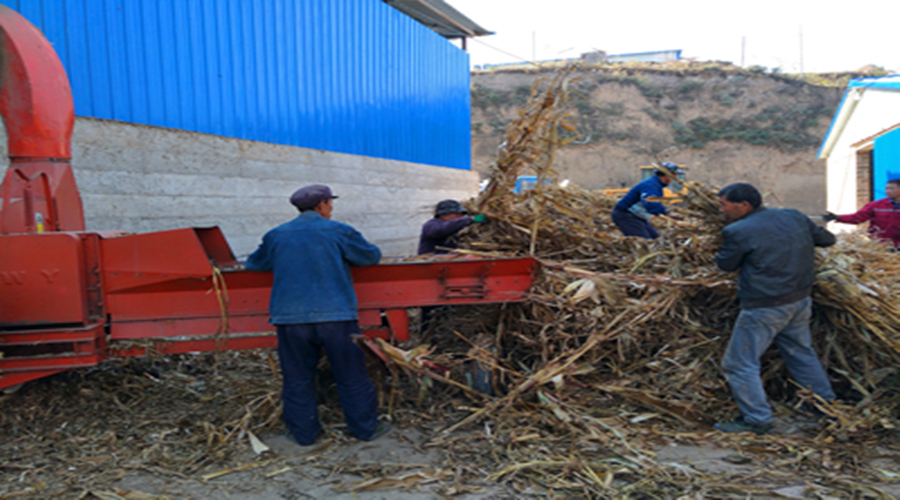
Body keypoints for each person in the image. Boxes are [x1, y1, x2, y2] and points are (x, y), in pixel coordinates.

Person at [245, 184, 389, 445]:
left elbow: (254, 264)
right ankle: (365, 430)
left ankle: (304, 434)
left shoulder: (276, 235)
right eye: (330, 203)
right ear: (322, 204)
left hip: (290, 319)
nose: (331, 208)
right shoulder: (339, 231)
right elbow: (370, 257)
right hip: (336, 317)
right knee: (351, 374)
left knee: (297, 377)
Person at [713, 183, 836, 435]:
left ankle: (756, 419)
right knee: (801, 352)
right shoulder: (793, 215)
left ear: (743, 205)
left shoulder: (736, 231)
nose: (721, 210)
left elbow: (726, 265)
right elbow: (827, 239)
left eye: (723, 204)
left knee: (738, 363)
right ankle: (824, 404)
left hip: (765, 306)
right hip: (800, 300)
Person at [611, 162, 683, 239]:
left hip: (638, 216)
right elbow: (650, 203)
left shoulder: (656, 184)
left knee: (657, 240)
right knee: (644, 242)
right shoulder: (650, 185)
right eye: (675, 175)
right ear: (667, 175)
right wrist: (668, 212)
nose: (675, 178)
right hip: (626, 215)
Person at [822, 179, 900, 249]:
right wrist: (837, 217)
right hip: (882, 245)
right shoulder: (876, 205)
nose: (888, 191)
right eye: (887, 188)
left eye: (892, 188)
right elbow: (858, 217)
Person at [417, 199, 487, 255]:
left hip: (451, 263)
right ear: (443, 214)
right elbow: (441, 229)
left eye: (461, 215)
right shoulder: (431, 225)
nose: (460, 217)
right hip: (431, 265)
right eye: (457, 214)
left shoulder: (457, 227)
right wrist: (471, 219)